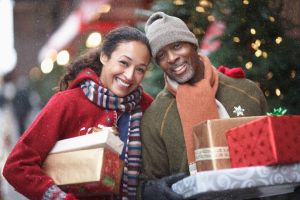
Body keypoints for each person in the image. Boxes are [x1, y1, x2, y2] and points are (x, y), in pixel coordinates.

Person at [2, 26, 153, 200]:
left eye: (140, 69)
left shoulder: (147, 106)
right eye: (124, 63)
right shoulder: (68, 103)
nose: (129, 75)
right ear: (104, 56)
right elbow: (17, 166)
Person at [138, 12, 272, 200]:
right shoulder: (155, 117)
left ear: (193, 44)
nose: (172, 58)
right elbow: (148, 184)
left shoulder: (247, 92)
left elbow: (271, 160)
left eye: (177, 46)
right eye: (161, 55)